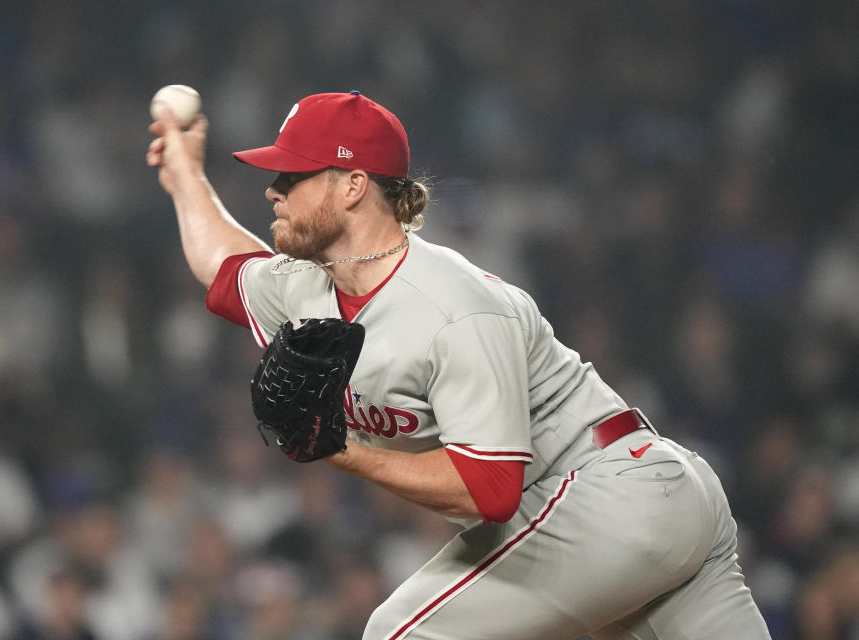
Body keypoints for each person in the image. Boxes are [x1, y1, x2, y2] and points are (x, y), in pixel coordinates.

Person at [147, 90, 771, 640]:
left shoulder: (454, 305)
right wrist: (184, 176)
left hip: (609, 491)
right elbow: (225, 268)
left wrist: (336, 450)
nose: (272, 190)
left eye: (292, 176)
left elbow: (489, 492)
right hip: (622, 508)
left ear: (352, 184)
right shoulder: (309, 284)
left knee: (399, 633)